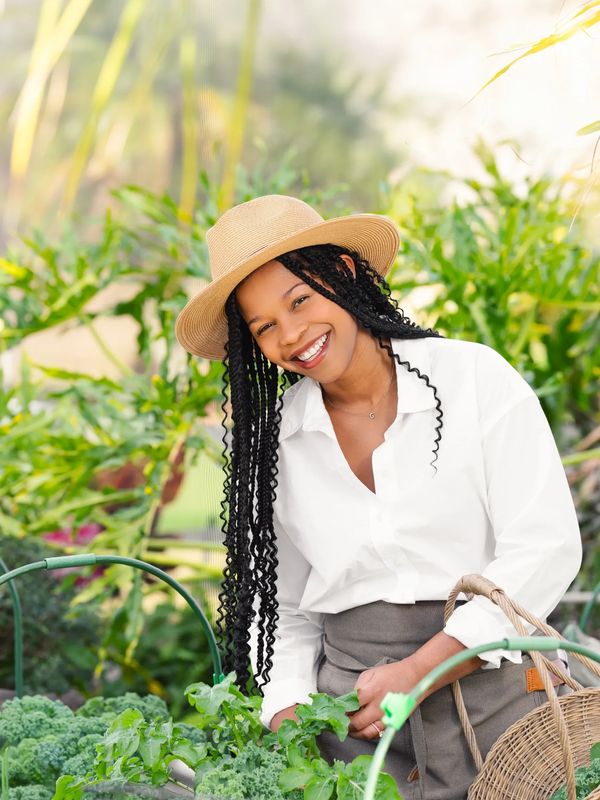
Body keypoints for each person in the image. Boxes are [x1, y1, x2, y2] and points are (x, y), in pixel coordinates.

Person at [175, 194, 582, 799]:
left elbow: (544, 548)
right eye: (265, 327)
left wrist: (420, 671)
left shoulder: (474, 381)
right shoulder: (277, 446)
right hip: (352, 736)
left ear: (343, 272)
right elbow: (284, 611)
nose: (293, 335)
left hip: (506, 716)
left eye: (300, 301)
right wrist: (288, 708)